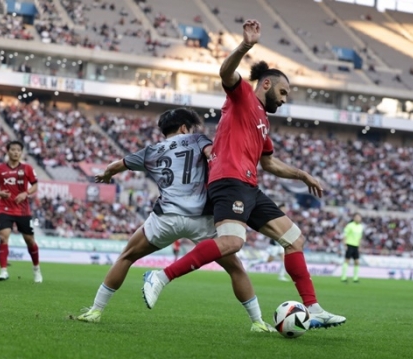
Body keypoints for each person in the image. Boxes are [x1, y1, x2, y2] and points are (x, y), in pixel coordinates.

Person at [142, 19, 346, 329]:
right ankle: (161, 275)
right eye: (283, 91)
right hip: (228, 180)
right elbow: (225, 73)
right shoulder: (242, 99)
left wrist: (302, 175)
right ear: (266, 83)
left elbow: (270, 163)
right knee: (232, 243)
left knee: (294, 238)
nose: (285, 98)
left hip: (250, 185)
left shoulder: (263, 121)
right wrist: (246, 46)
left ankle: (313, 308)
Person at [77, 108, 274, 332]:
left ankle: (95, 310)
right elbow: (213, 154)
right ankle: (258, 322)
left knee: (127, 256)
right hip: (202, 220)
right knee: (236, 269)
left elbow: (116, 166)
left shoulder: (151, 151)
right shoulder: (198, 139)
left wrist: (106, 175)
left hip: (166, 218)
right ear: (184, 128)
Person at [0, 141, 41, 282]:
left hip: (23, 210)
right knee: (3, 236)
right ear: (8, 151)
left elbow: (35, 185)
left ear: (21, 152)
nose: (16, 152)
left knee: (29, 240)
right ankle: (3, 271)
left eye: (18, 150)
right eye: (13, 149)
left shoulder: (27, 168)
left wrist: (26, 193)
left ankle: (36, 269)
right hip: (5, 208)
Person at [248, 204, 289, 281]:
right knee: (268, 260)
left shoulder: (284, 218)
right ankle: (252, 262)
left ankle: (281, 276)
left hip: (280, 243)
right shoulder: (276, 217)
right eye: (283, 208)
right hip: (274, 243)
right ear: (280, 209)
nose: (285, 210)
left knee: (284, 259)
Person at [340, 213, 364, 283]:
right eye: (356, 217)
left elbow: (359, 237)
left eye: (359, 217)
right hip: (349, 244)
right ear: (354, 218)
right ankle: (343, 277)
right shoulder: (350, 225)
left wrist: (359, 246)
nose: (358, 219)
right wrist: (345, 245)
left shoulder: (360, 227)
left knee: (357, 262)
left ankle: (355, 278)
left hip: (356, 246)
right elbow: (345, 235)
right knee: (347, 260)